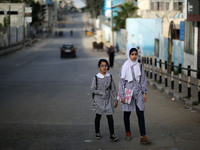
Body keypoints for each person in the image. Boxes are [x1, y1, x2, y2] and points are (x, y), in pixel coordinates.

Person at [118, 47, 151, 144]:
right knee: (127, 113)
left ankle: (143, 135)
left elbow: (143, 80)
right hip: (127, 91)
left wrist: (144, 92)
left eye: (135, 54)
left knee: (140, 113)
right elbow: (121, 82)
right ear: (129, 55)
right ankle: (128, 132)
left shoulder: (140, 66)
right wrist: (122, 95)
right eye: (132, 54)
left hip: (138, 92)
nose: (134, 56)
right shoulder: (124, 66)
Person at [91, 59, 119, 141]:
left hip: (108, 100)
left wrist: (115, 100)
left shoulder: (109, 76)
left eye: (105, 65)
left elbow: (113, 89)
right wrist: (101, 93)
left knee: (110, 117)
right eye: (102, 65)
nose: (104, 67)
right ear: (98, 67)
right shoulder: (96, 77)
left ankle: (112, 134)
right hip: (98, 100)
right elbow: (92, 89)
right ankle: (97, 132)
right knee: (98, 116)